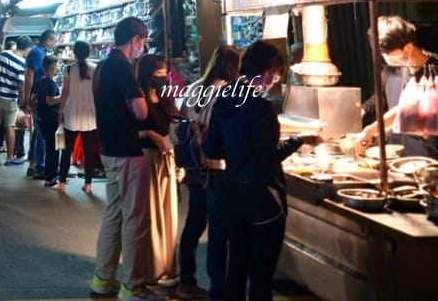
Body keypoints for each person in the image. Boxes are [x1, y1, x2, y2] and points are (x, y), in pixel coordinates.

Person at [203, 40, 321, 301]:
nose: (275, 79)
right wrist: (300, 140)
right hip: (263, 198)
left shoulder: (223, 99)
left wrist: (237, 154)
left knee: (236, 269)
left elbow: (211, 149)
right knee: (260, 276)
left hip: (232, 192)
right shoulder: (262, 108)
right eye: (276, 73)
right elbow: (267, 158)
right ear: (267, 71)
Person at [89, 16, 160, 301]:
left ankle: (102, 279)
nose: (142, 47)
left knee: (114, 215)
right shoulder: (122, 67)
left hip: (108, 149)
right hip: (128, 151)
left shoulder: (103, 65)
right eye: (142, 41)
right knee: (134, 220)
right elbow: (141, 112)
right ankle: (133, 285)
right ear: (136, 39)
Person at [175, 44, 239, 301]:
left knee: (194, 224)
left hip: (194, 167)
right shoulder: (226, 93)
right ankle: (218, 288)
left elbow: (180, 124)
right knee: (218, 231)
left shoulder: (193, 88)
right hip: (217, 168)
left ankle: (186, 279)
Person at [352, 15, 438, 160]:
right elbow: (378, 100)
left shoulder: (433, 72)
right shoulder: (392, 70)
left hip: (430, 156)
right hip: (399, 155)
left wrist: (371, 130)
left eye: (390, 54)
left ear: (408, 48)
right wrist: (362, 110)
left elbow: (410, 109)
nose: (387, 59)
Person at [135, 54, 179, 290]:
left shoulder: (164, 96)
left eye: (165, 71)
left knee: (168, 215)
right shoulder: (137, 97)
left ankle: (168, 268)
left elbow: (172, 124)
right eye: (159, 71)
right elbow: (128, 131)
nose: (163, 75)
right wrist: (150, 135)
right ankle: (152, 269)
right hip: (147, 160)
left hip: (167, 158)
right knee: (152, 216)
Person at [58, 40, 100, 194]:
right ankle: (88, 185)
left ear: (74, 52)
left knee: (66, 150)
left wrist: (60, 111)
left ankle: (62, 183)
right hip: (90, 115)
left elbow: (65, 92)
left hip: (72, 114)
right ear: (88, 52)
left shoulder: (68, 69)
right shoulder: (95, 69)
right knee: (89, 152)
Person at [0, 36, 32, 166]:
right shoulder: (22, 63)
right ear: (27, 48)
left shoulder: (2, 54)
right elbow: (20, 85)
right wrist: (23, 101)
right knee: (10, 127)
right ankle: (9, 157)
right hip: (10, 98)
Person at [24, 29, 56, 179]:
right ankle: (39, 167)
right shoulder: (38, 53)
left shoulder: (37, 51)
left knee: (37, 132)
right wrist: (27, 97)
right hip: (38, 99)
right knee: (41, 133)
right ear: (48, 40)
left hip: (36, 97)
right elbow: (29, 74)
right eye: (54, 41)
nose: (54, 44)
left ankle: (33, 164)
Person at [33, 54, 62, 187]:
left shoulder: (39, 82)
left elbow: (33, 99)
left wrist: (37, 111)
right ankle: (50, 177)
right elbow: (50, 101)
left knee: (49, 147)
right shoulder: (50, 83)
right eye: (56, 66)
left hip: (42, 119)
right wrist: (64, 96)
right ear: (52, 67)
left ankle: (49, 175)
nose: (58, 68)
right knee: (52, 149)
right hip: (51, 119)